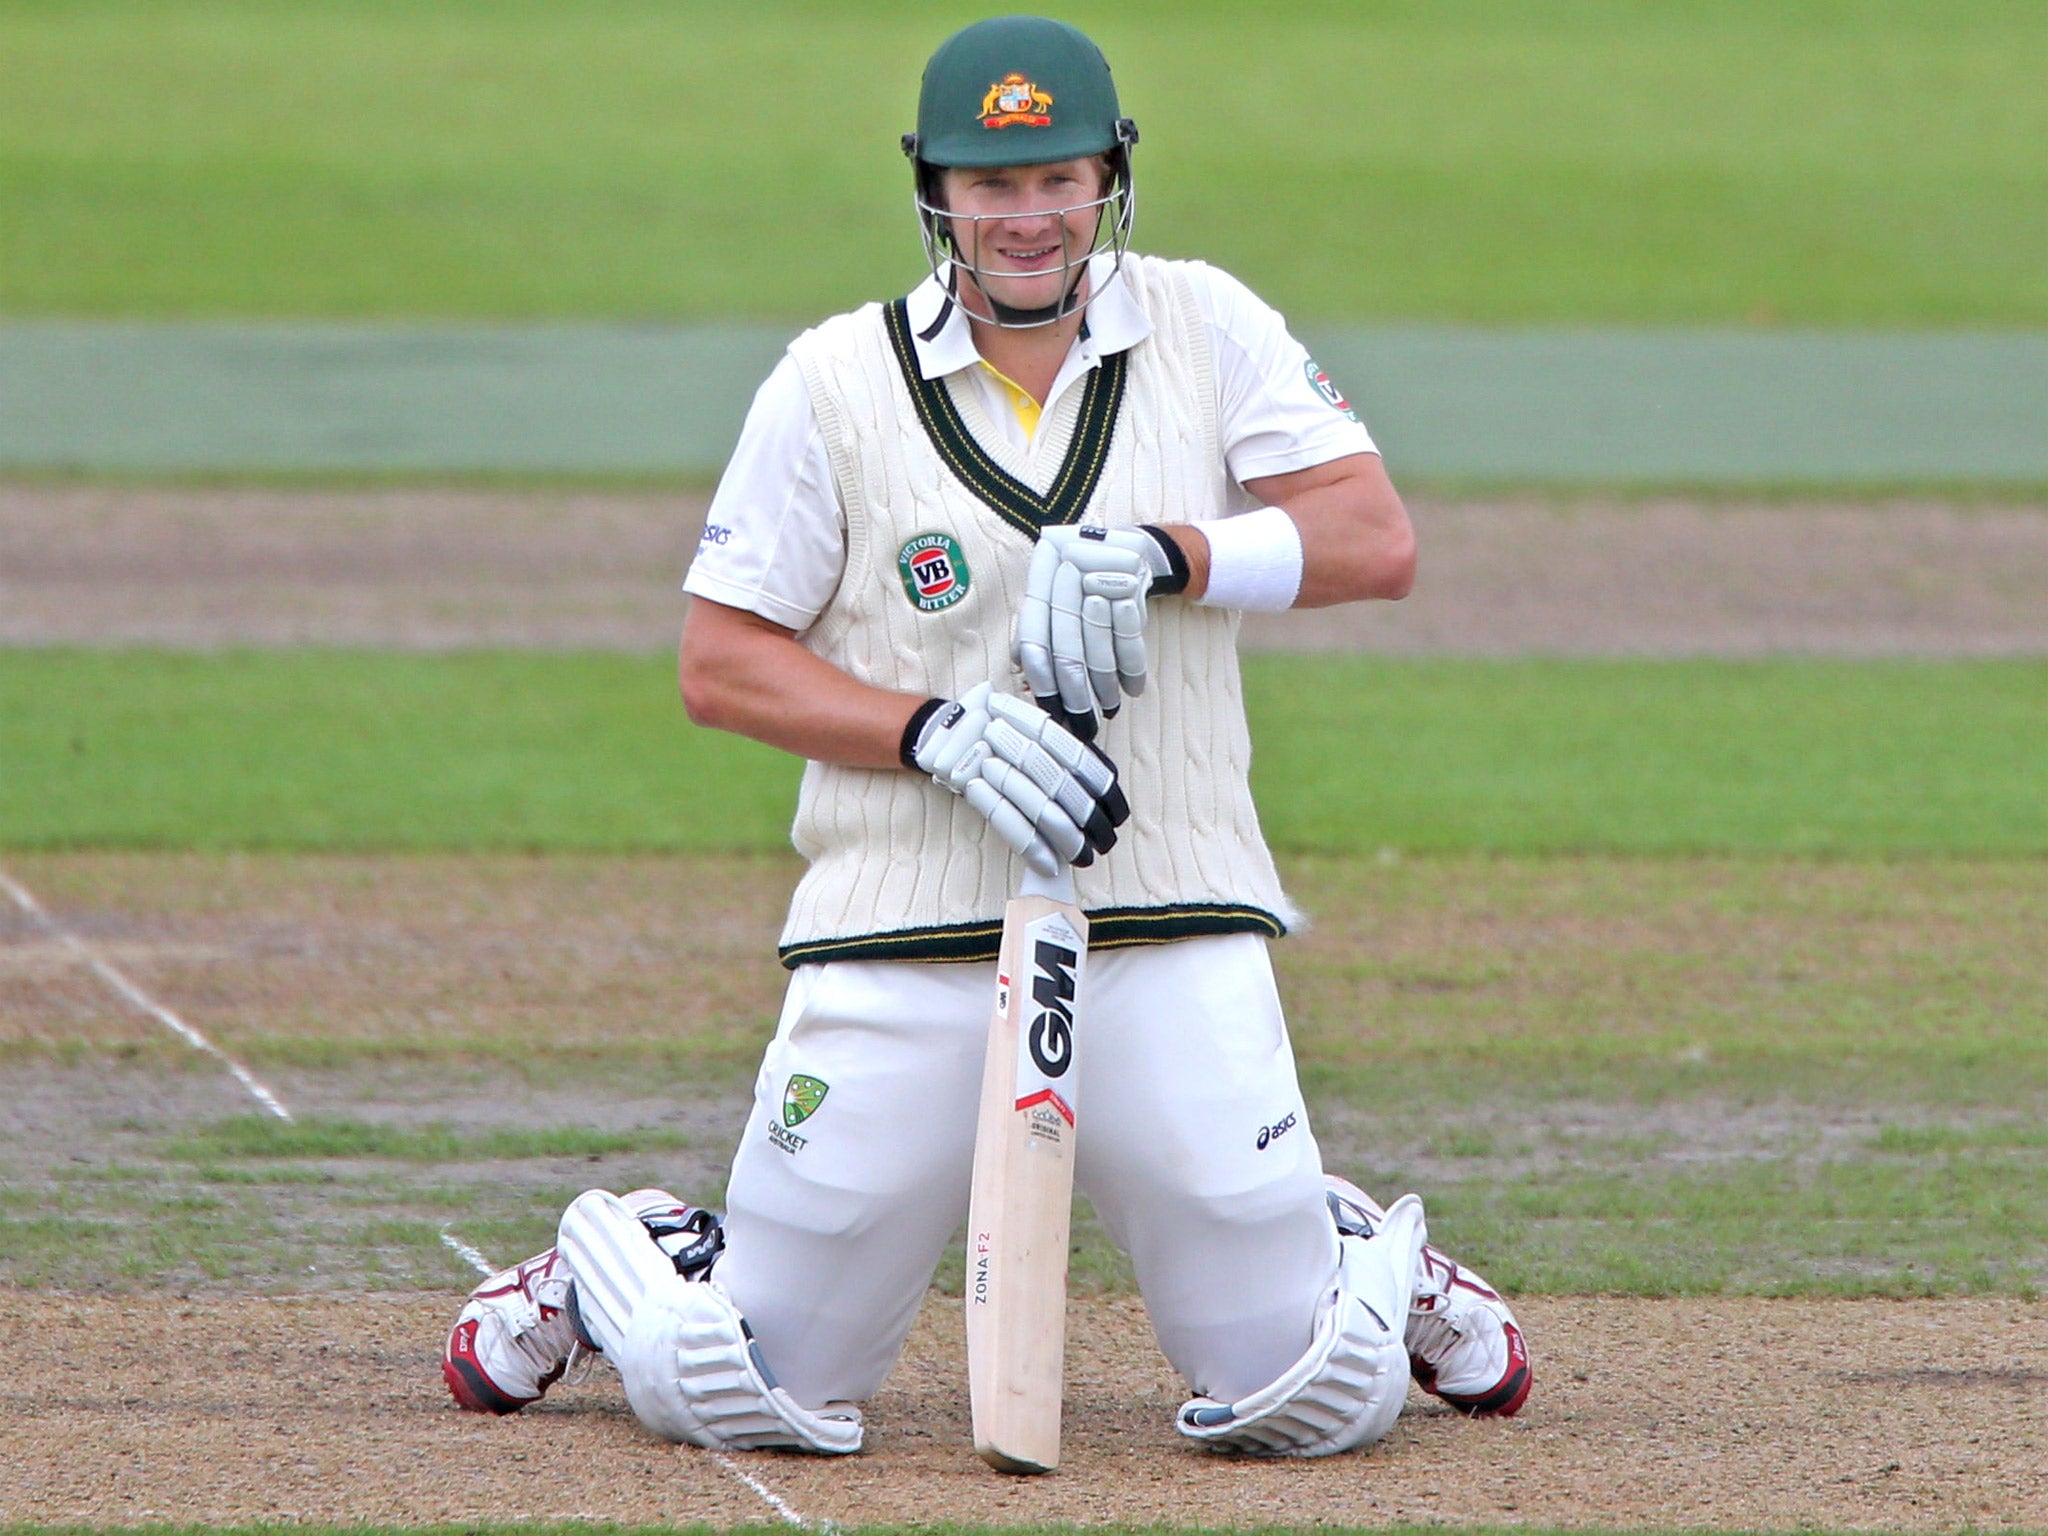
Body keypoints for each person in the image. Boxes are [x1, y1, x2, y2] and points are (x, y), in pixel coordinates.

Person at [442, 15, 1531, 1456]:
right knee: (749, 1388)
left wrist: (1169, 551)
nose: (1028, 218)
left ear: (1110, 178)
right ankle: (634, 1251)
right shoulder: (831, 381)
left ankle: (1323, 1244)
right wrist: (929, 730)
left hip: (1168, 902)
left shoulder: (1208, 326)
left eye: (1059, 180)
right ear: (934, 189)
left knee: (1312, 1400)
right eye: (990, 185)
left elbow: (1372, 540)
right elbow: (721, 662)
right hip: (905, 913)